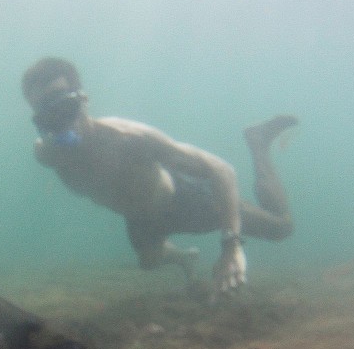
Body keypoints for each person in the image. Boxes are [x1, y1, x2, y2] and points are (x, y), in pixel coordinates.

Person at [21, 56, 296, 295]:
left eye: (65, 106)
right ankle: (185, 258)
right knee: (149, 262)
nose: (61, 122)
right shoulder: (46, 154)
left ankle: (258, 142)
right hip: (139, 217)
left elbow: (220, 169)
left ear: (83, 100)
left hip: (186, 202)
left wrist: (231, 246)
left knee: (282, 228)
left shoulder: (128, 138)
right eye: (48, 116)